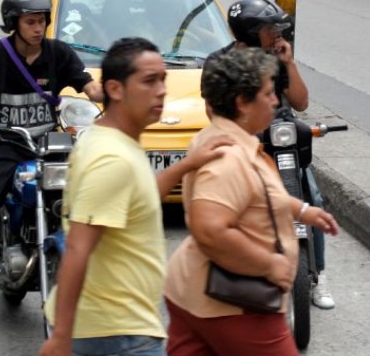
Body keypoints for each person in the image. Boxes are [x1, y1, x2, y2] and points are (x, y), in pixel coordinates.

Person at [39, 38, 232, 356]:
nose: (161, 91)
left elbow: (136, 199)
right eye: (149, 81)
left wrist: (187, 164)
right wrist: (60, 337)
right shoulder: (112, 158)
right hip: (117, 333)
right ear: (115, 89)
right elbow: (77, 248)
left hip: (116, 328)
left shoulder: (111, 140)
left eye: (163, 80)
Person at [0, 0, 105, 346]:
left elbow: (87, 86)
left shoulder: (58, 53)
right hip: (7, 144)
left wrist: (112, 96)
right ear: (13, 23)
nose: (37, 27)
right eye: (30, 21)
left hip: (51, 147)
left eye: (42, 20)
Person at [163, 48, 339, 356]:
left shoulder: (223, 138)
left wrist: (302, 210)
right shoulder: (228, 155)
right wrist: (270, 264)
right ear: (242, 102)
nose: (275, 101)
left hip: (195, 293)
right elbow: (210, 228)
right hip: (235, 302)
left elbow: (259, 196)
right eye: (268, 93)